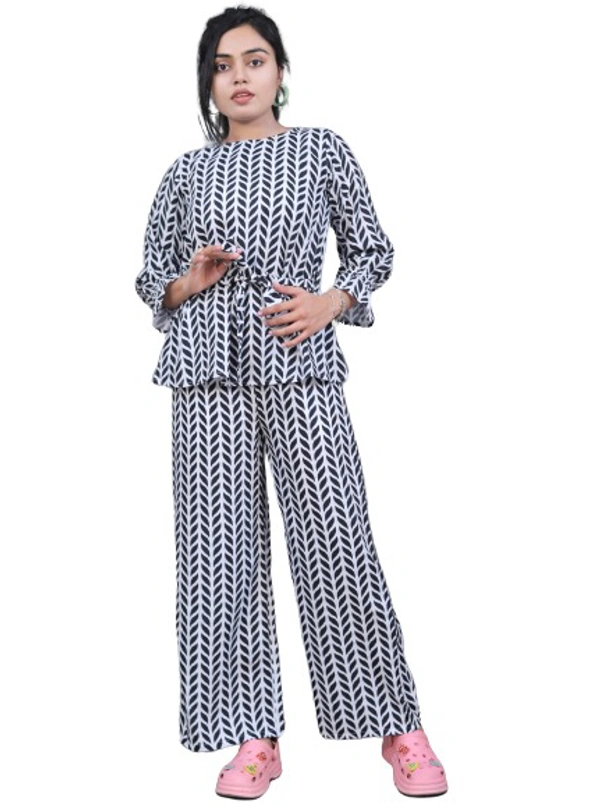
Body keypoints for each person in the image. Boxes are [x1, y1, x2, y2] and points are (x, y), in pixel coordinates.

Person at [135, 5, 448, 800]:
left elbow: (373, 248)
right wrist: (188, 280)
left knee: (337, 538)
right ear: (207, 84)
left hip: (298, 360)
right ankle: (254, 735)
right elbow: (150, 279)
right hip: (206, 373)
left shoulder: (321, 151)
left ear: (280, 71)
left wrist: (331, 301)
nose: (238, 76)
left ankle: (397, 725)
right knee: (219, 555)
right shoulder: (183, 172)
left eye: (254, 60)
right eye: (221, 66)